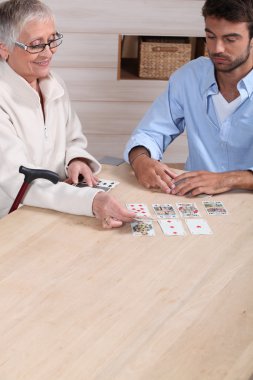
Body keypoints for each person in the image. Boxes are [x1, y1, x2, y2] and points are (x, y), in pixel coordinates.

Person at [0, 0, 135, 228]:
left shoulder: (55, 84)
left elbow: (73, 138)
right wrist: (90, 200)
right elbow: (19, 181)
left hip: (60, 209)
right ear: (4, 48)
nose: (48, 52)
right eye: (36, 44)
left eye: (52, 40)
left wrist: (76, 159)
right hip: (12, 219)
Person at [124, 0, 253, 197]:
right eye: (210, 36)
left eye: (230, 39)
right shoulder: (189, 77)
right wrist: (141, 160)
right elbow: (150, 133)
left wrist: (227, 180)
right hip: (195, 201)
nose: (217, 48)